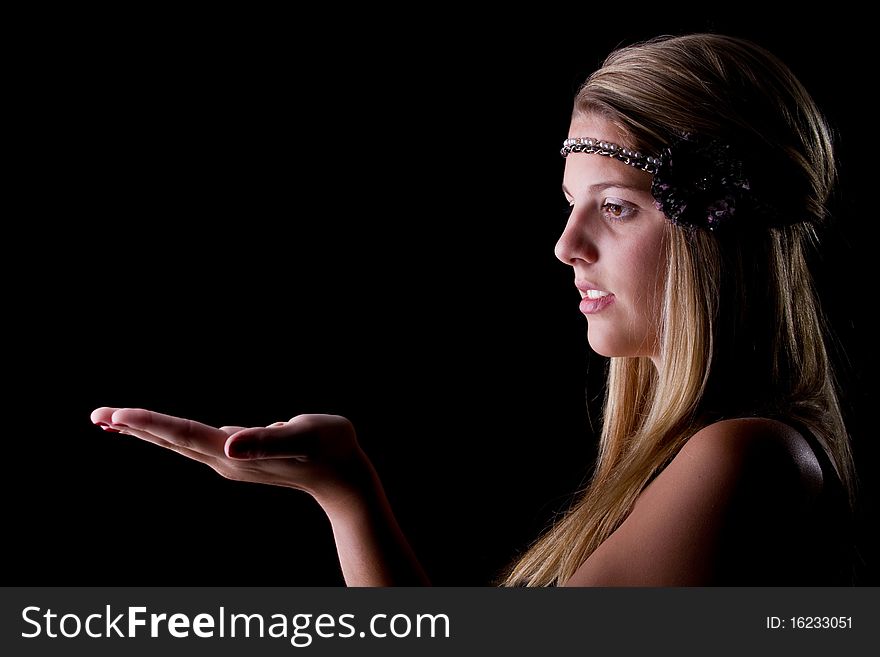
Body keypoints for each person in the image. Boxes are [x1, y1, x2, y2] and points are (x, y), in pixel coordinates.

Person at [91, 33, 858, 586]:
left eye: (616, 208)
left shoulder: (747, 457)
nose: (567, 246)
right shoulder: (700, 454)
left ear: (718, 229)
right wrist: (343, 491)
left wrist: (350, 497)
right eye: (570, 206)